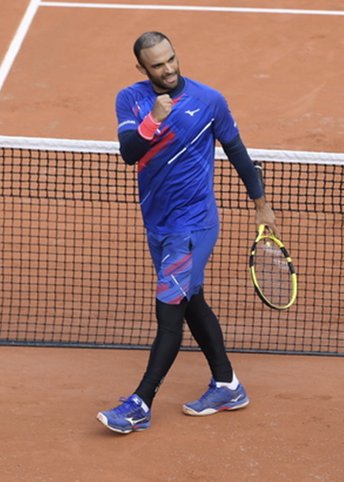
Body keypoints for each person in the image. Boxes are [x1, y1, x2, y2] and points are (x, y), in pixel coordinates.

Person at [97, 31, 277, 434]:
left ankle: (140, 403)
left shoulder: (209, 100)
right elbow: (129, 152)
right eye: (158, 64)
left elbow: (237, 152)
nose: (169, 69)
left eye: (172, 59)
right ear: (142, 68)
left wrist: (260, 204)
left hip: (194, 225)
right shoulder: (131, 99)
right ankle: (228, 384)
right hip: (157, 222)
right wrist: (153, 120)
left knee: (169, 313)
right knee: (192, 299)